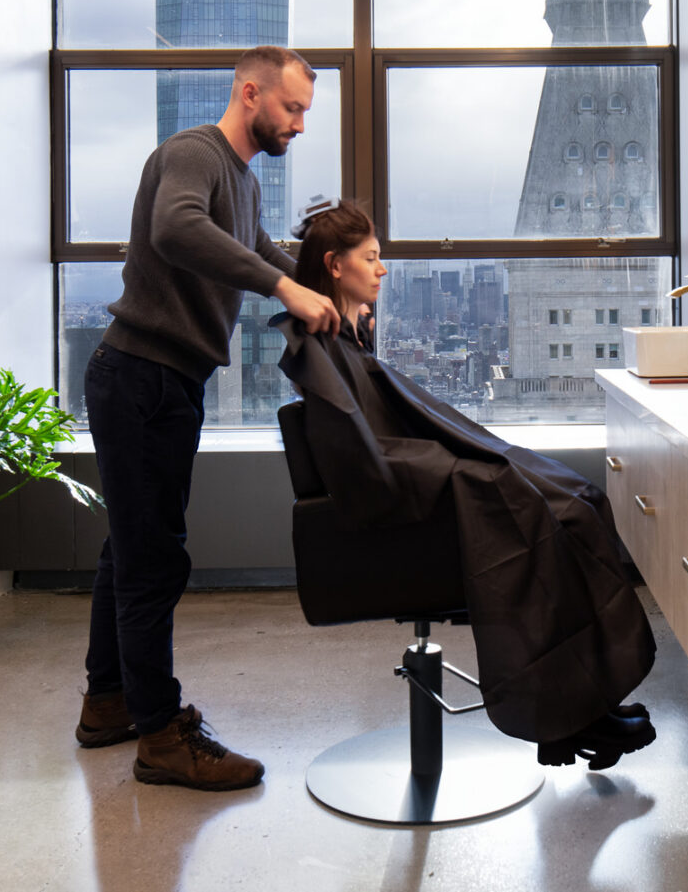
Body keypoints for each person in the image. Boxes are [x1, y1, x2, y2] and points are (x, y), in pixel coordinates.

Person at [278, 198, 658, 770]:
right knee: (559, 516)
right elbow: (363, 465)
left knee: (581, 498)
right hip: (407, 511)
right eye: (372, 258)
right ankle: (570, 715)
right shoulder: (317, 347)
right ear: (334, 266)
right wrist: (461, 468)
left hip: (423, 481)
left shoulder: (343, 338)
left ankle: (587, 705)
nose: (383, 269)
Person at [74, 45, 341, 792]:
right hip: (137, 377)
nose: (298, 123)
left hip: (169, 380)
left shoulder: (245, 181)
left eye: (304, 113)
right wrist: (284, 291)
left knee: (129, 548)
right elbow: (177, 229)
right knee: (154, 559)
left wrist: (329, 276)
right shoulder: (192, 155)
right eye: (290, 108)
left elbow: (261, 252)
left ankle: (107, 702)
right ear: (249, 92)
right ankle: (159, 734)